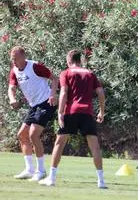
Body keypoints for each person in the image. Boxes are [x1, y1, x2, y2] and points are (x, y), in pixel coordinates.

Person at [39, 50, 106, 188]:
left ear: (69, 60)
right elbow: (100, 92)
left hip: (71, 111)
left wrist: (60, 112)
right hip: (87, 113)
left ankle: (51, 178)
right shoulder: (90, 73)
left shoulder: (66, 73)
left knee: (59, 143)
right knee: (94, 147)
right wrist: (101, 111)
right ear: (80, 60)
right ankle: (101, 181)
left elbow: (63, 92)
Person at [8, 46, 59, 181]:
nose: (14, 61)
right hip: (34, 106)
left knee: (33, 134)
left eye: (16, 58)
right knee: (22, 135)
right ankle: (29, 170)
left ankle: (41, 171)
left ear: (23, 57)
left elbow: (55, 79)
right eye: (12, 58)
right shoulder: (14, 70)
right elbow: (11, 88)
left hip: (46, 103)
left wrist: (53, 95)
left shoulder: (35, 67)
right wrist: (12, 100)